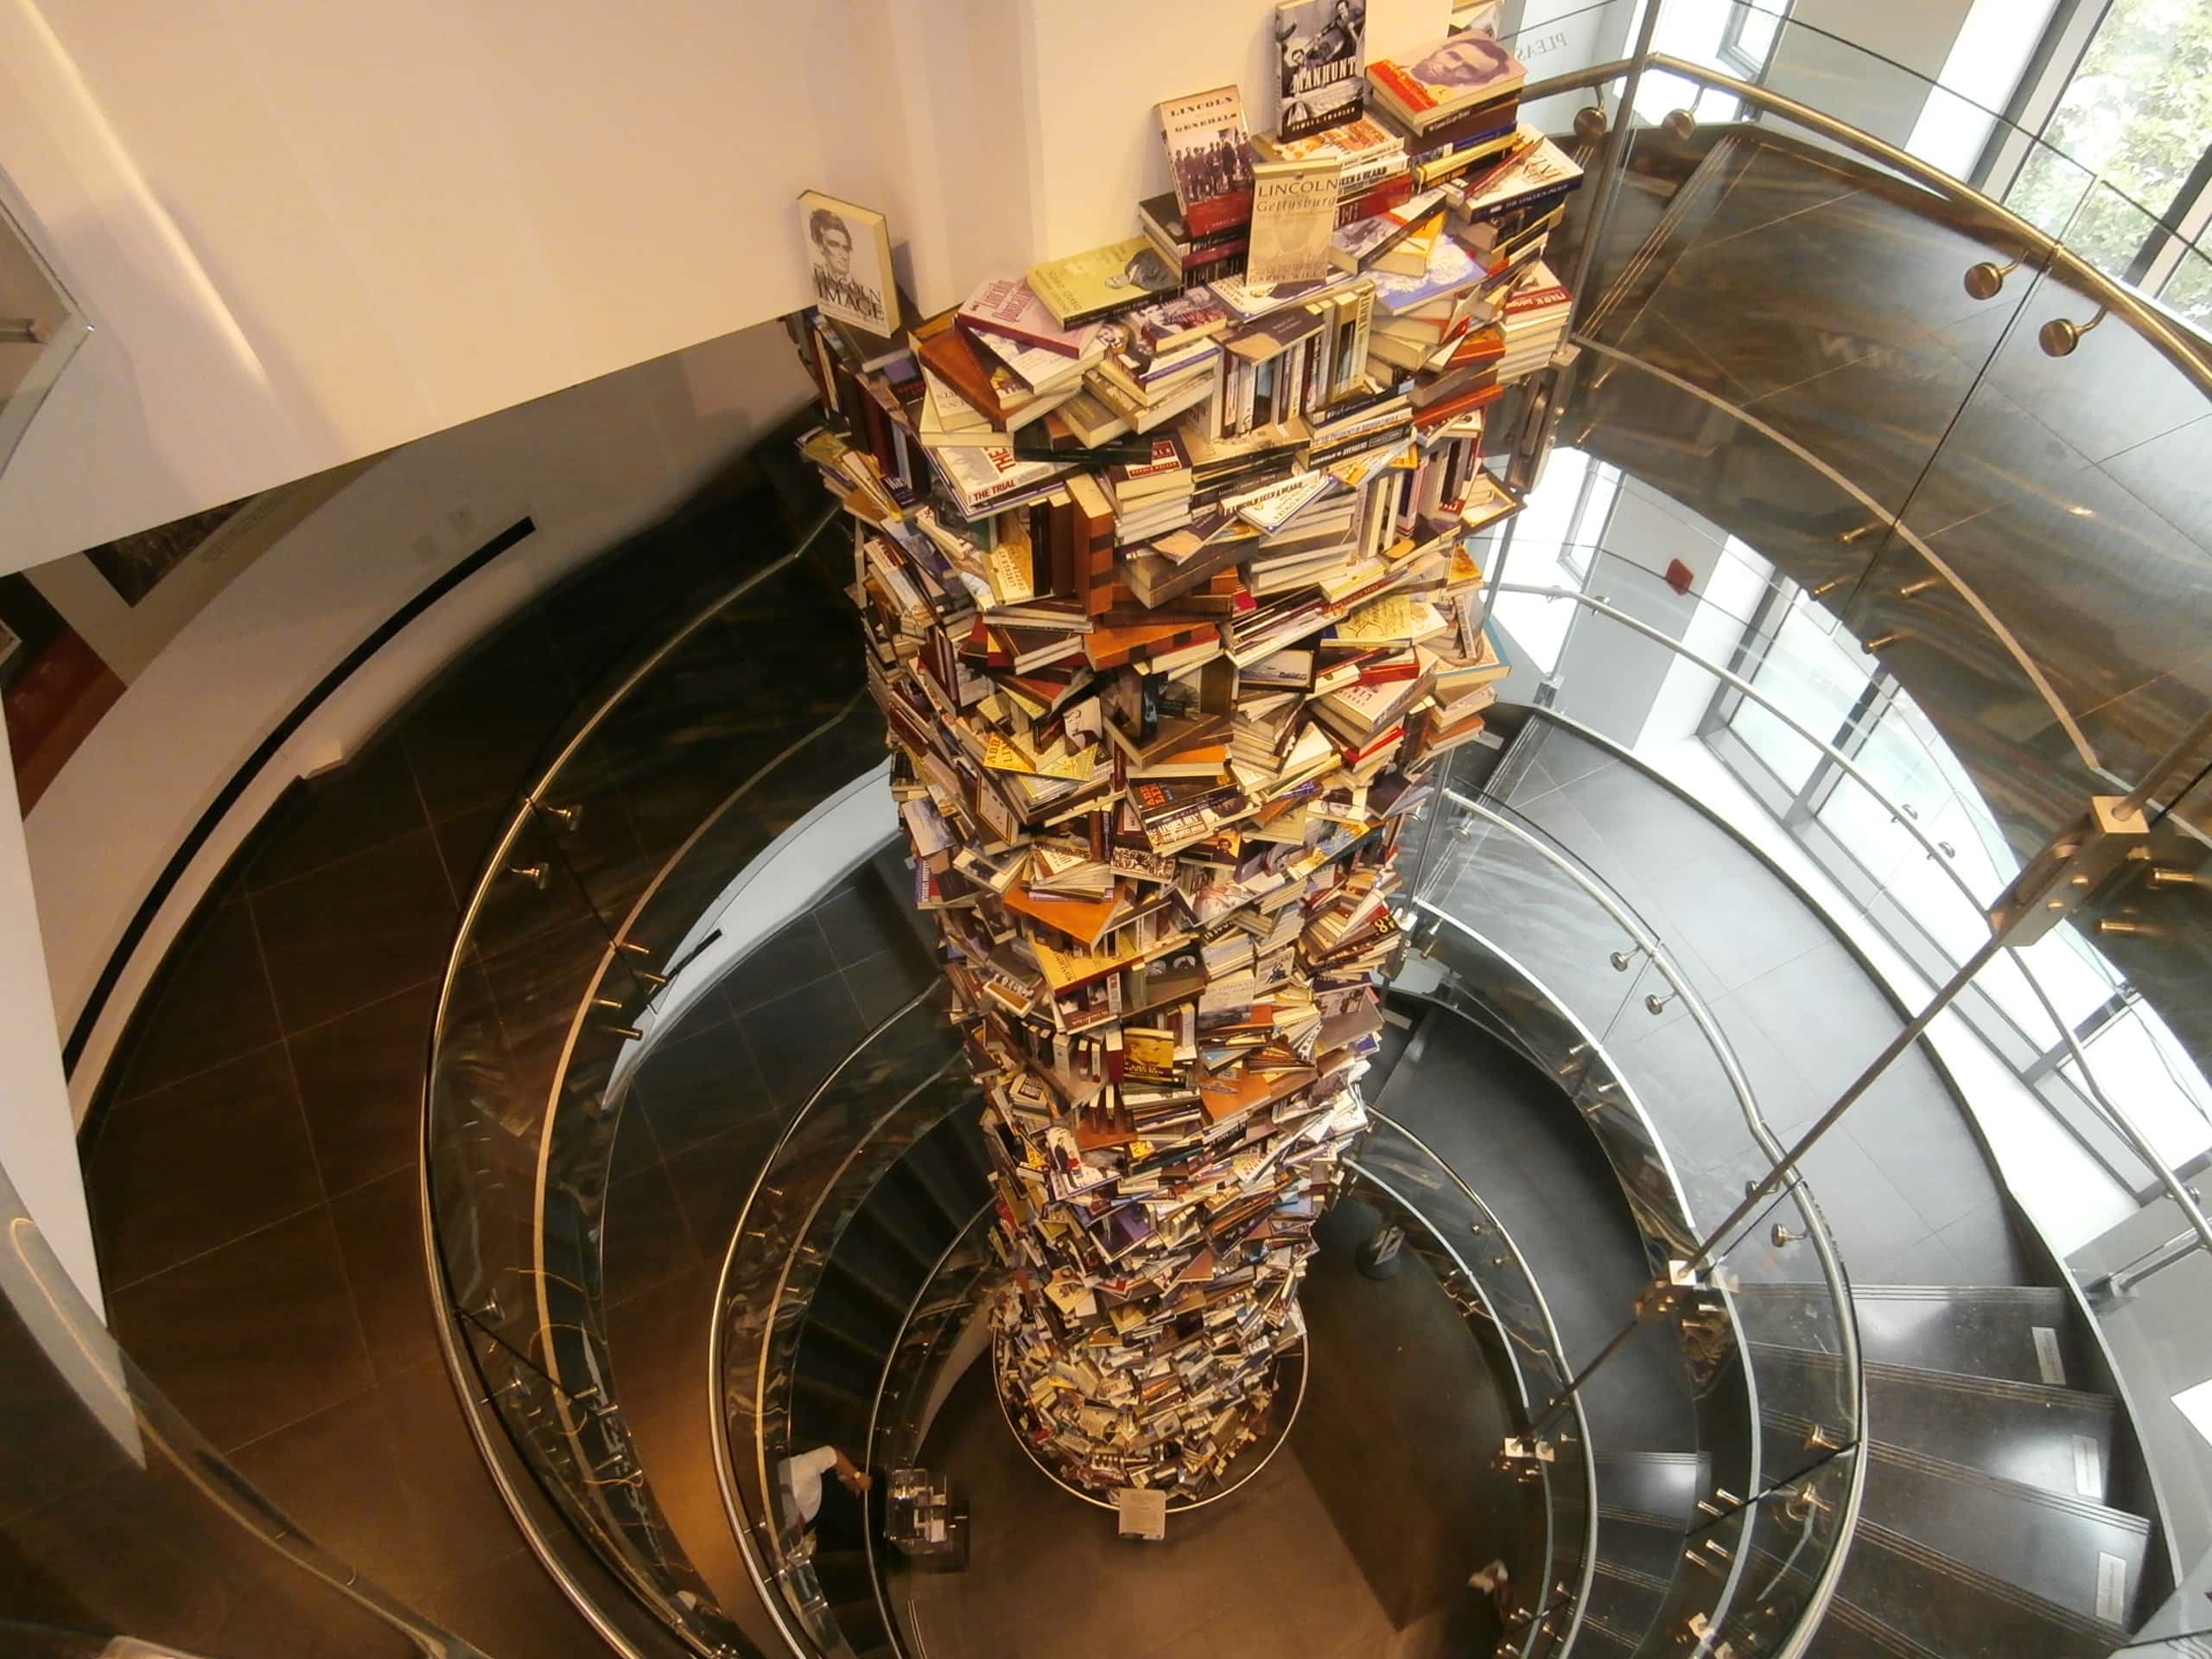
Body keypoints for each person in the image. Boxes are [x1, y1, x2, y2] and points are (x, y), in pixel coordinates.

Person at [781, 1444, 871, 1550]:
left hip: (826, 1484)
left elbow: (831, 1454)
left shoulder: (795, 1474)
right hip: (820, 1517)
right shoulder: (784, 1528)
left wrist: (857, 1476)